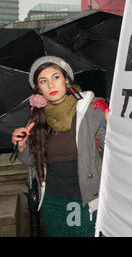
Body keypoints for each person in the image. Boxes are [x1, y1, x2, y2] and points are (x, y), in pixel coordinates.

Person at [10, 56, 110, 237]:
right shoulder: (37, 118)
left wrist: (111, 126)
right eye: (43, 81)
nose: (51, 85)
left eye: (55, 77)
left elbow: (108, 147)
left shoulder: (92, 108)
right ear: (38, 89)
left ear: (66, 80)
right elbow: (33, 161)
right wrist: (23, 146)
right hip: (51, 201)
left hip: (84, 199)